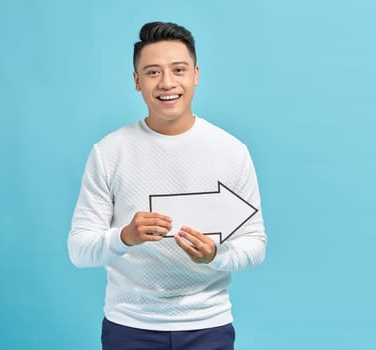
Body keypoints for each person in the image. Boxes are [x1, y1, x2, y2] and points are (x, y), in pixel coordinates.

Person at [67, 21, 267, 350]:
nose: (167, 83)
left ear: (196, 75)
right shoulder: (108, 152)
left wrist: (215, 256)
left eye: (178, 69)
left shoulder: (232, 151)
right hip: (128, 326)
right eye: (153, 72)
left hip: (209, 326)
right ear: (137, 81)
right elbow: (79, 249)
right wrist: (124, 237)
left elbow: (256, 243)